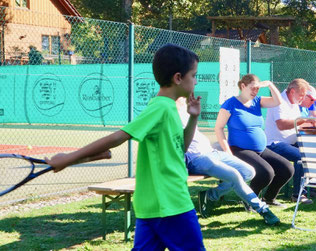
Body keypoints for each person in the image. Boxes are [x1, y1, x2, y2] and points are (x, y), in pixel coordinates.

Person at [48, 44, 205, 250]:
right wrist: (69, 158)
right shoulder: (161, 108)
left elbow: (181, 148)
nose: (195, 81)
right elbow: (120, 136)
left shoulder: (169, 108)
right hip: (170, 203)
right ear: (178, 78)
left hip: (152, 206)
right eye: (193, 75)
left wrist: (193, 118)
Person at [176, 98, 279, 225]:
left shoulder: (186, 112)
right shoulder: (168, 113)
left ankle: (210, 196)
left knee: (249, 172)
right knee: (234, 175)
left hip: (212, 152)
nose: (185, 97)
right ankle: (263, 210)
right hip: (196, 159)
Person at [215, 74, 295, 208]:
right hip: (239, 149)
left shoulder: (257, 101)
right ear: (243, 86)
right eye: (252, 88)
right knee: (266, 172)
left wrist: (270, 84)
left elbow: (278, 101)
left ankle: (269, 198)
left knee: (287, 168)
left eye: (257, 89)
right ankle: (250, 200)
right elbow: (218, 128)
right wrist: (227, 151)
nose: (255, 91)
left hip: (261, 149)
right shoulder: (230, 104)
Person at [264, 78, 315, 204]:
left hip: (288, 141)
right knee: (301, 157)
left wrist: (313, 123)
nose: (303, 99)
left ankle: (310, 187)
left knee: (313, 150)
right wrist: (304, 120)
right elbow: (281, 125)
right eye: (301, 95)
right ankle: (298, 194)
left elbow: (295, 124)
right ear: (292, 91)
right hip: (274, 144)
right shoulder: (279, 102)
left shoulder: (293, 102)